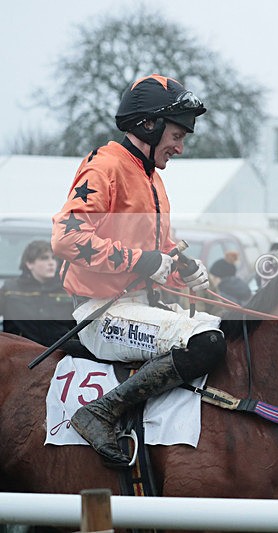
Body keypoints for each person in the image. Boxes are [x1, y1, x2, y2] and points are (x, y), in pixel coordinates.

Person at [51, 74, 224, 469]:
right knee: (207, 343)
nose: (180, 148)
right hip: (100, 314)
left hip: (140, 306)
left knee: (227, 329)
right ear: (150, 125)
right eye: (177, 136)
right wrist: (143, 261)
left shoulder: (154, 180)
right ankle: (100, 412)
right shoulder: (105, 165)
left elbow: (161, 256)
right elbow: (66, 238)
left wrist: (185, 272)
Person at [0, 240, 76, 346]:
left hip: (61, 355)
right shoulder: (9, 290)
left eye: (53, 258)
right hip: (20, 355)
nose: (51, 263)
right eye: (44, 258)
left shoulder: (69, 289)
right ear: (29, 264)